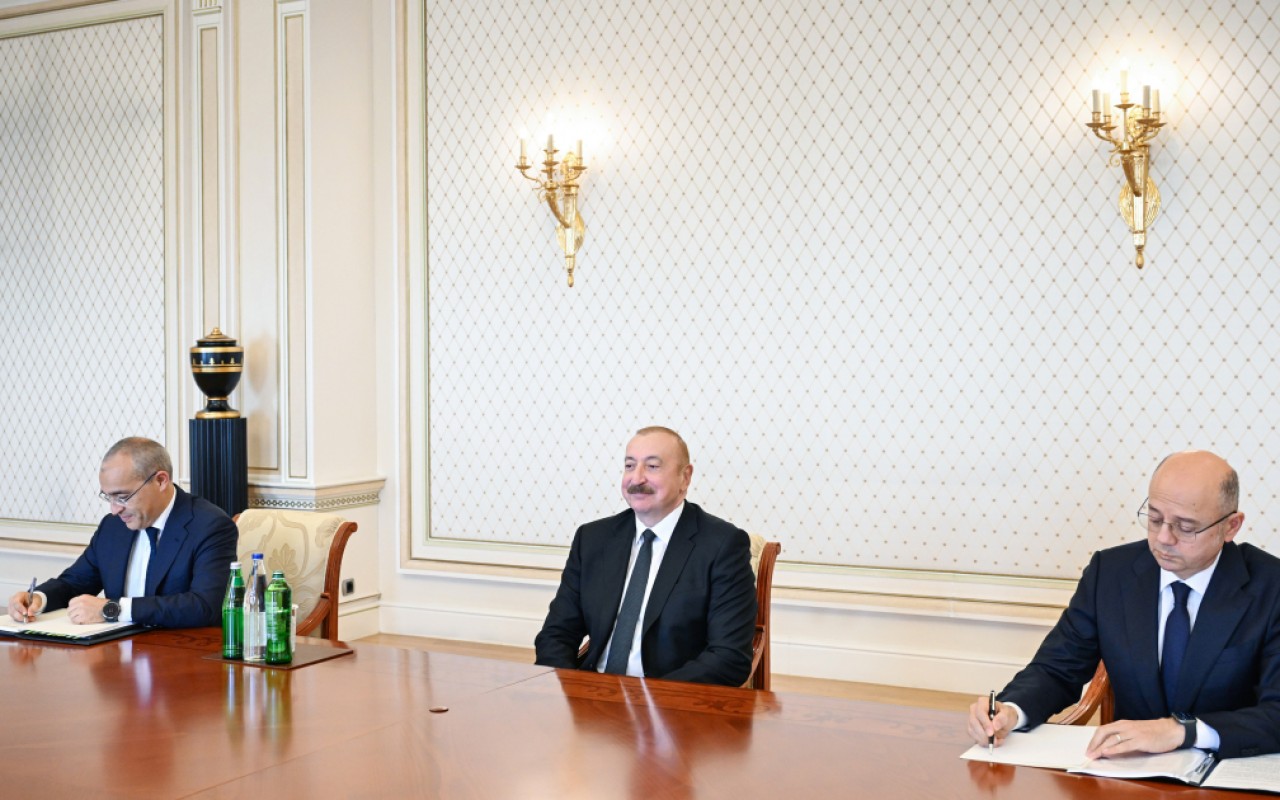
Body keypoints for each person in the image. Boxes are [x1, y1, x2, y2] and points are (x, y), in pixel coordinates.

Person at [968, 450, 1280, 760]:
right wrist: (1011, 710)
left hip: (1227, 769)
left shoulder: (1272, 587)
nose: (1163, 538)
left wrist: (1183, 731)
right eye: (1154, 518)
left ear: (1231, 526)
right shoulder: (1110, 573)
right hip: (1128, 770)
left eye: (1185, 527)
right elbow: (1056, 669)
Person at [534, 426, 758, 686]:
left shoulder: (722, 546)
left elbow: (729, 657)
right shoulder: (593, 539)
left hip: (672, 700)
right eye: (630, 466)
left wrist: (652, 698)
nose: (637, 478)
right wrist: (566, 693)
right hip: (592, 696)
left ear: (685, 477)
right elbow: (556, 634)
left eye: (652, 466)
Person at [7, 437, 238, 628]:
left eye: (123, 497)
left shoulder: (210, 526)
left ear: (160, 481)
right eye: (108, 497)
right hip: (117, 654)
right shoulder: (113, 527)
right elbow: (75, 582)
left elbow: (206, 605)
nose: (114, 509)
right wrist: (38, 598)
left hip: (179, 655)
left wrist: (112, 609)